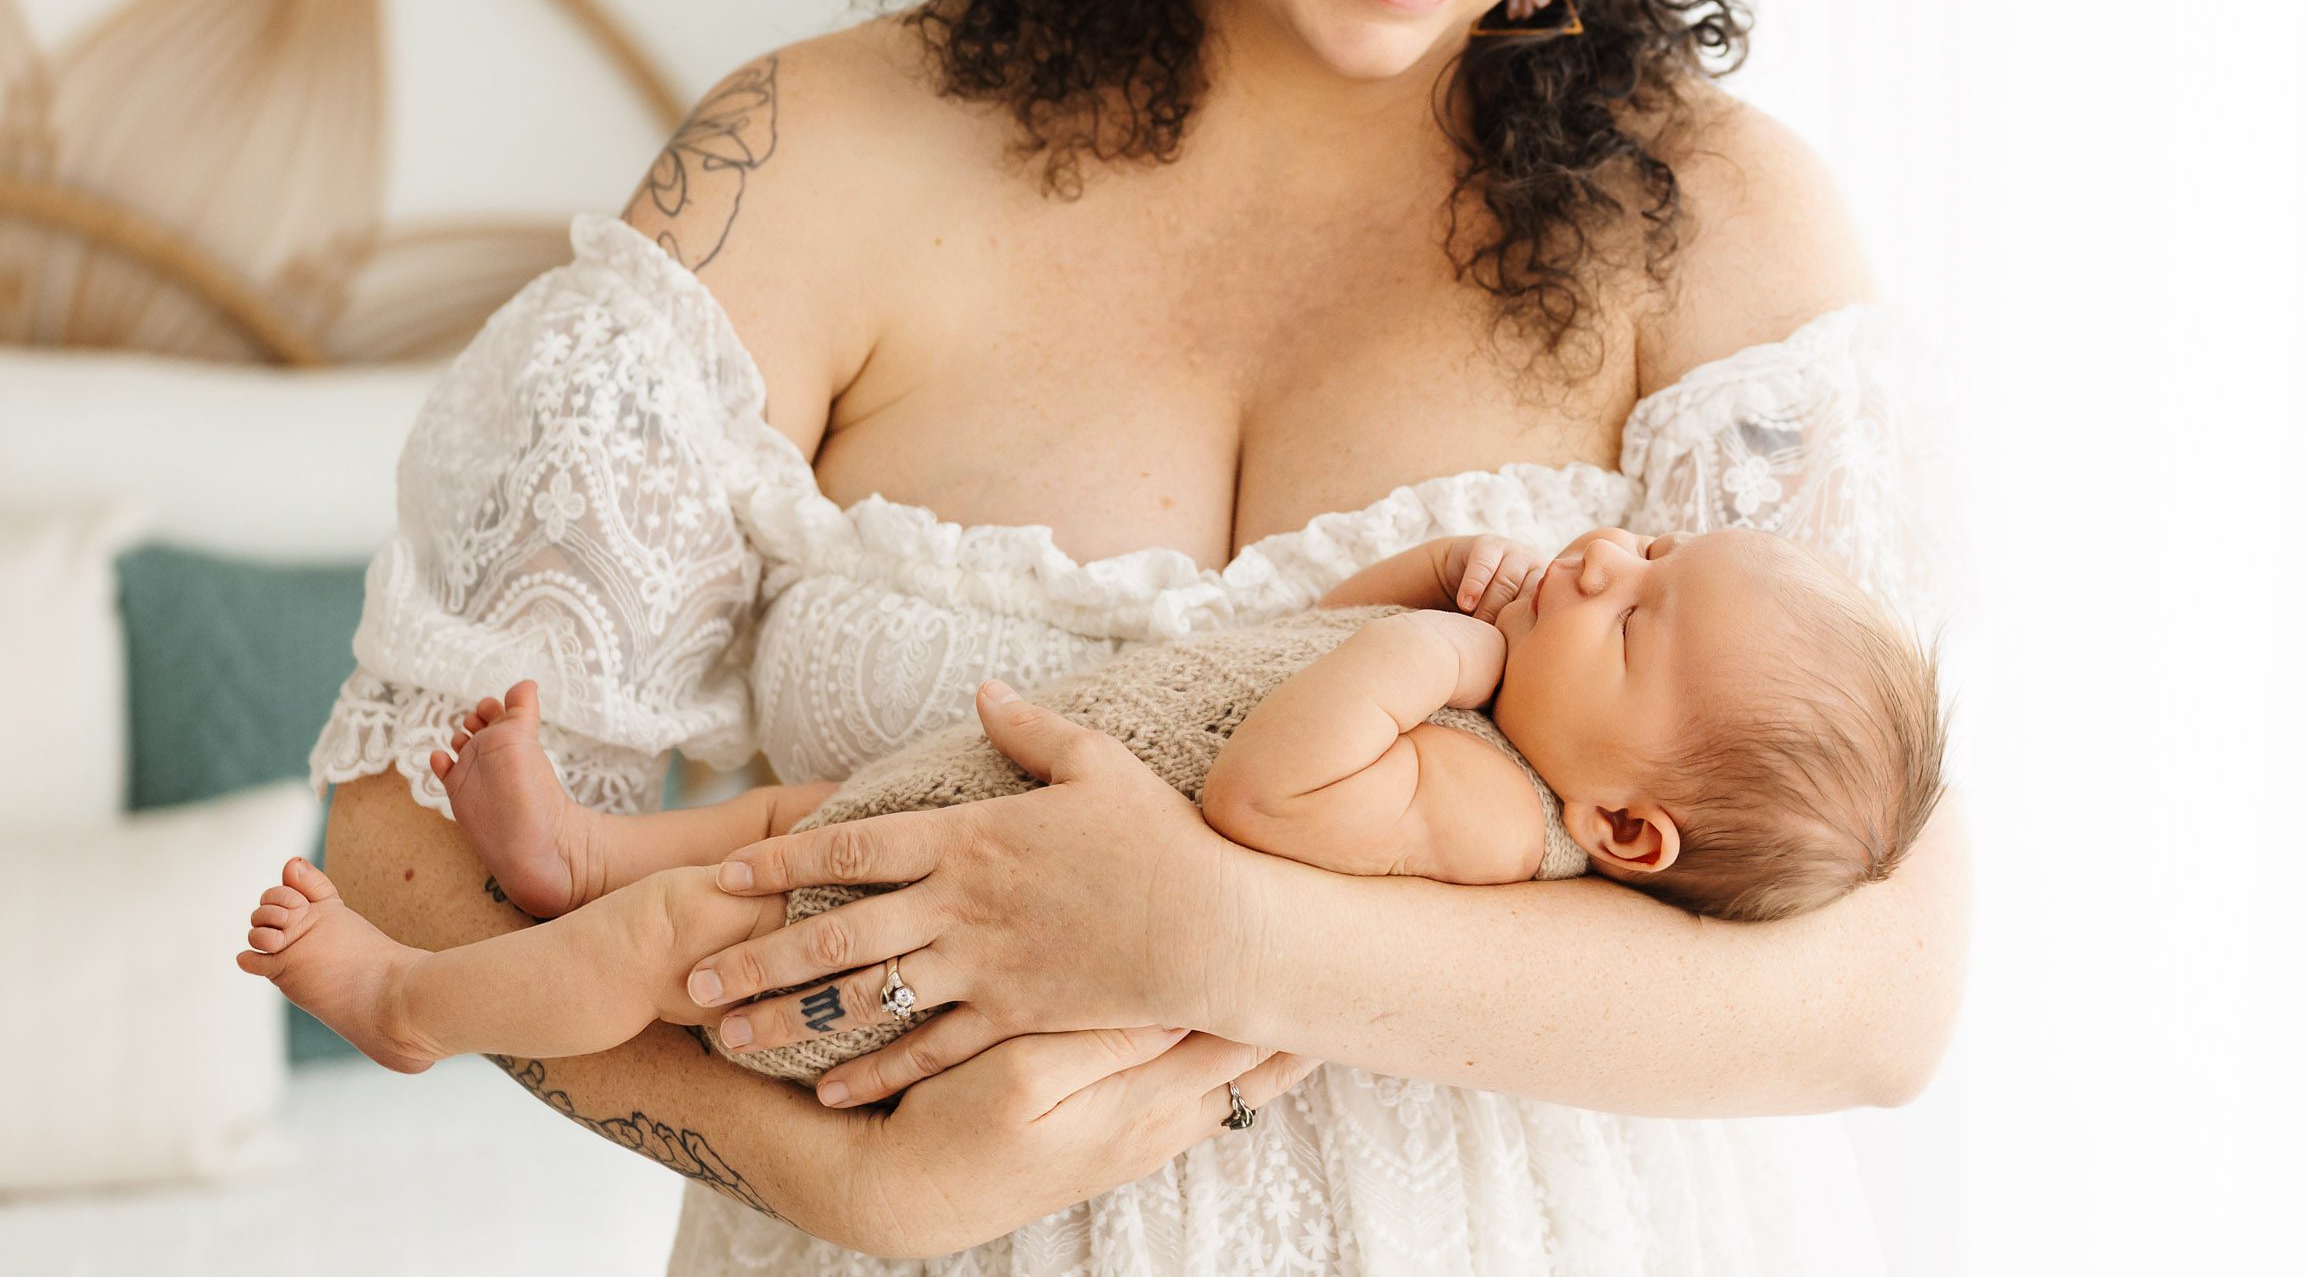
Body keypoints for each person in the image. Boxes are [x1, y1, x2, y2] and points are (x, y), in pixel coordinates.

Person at [310, 0, 1970, 1275]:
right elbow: (406, 848)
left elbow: (1877, 989)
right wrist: (844, 1175)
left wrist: (1211, 931)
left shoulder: (1711, 221)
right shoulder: (824, 161)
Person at [249, 526, 1944, 1086]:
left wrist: (1433, 644)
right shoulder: (1490, 702)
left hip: (921, 956)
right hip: (958, 813)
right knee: (797, 811)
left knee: (703, 934)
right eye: (1646, 549)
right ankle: (577, 852)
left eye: (1634, 614)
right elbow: (1290, 645)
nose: (1605, 556)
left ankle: (415, 1005)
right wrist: (1420, 583)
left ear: (1631, 831)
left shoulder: (1493, 812)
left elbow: (1275, 796)